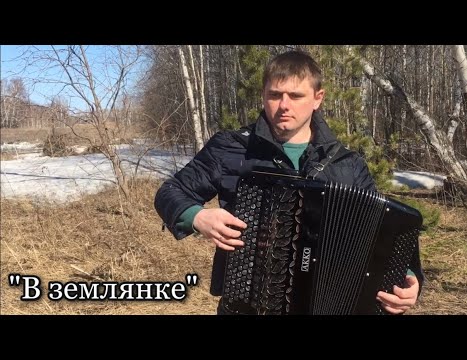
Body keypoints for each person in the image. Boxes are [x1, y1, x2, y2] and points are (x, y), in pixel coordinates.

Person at [155, 50, 423, 315]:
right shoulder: (231, 148)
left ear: (318, 98)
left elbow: (381, 233)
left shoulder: (347, 164)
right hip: (246, 307)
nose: (284, 105)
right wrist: (197, 216)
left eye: (296, 96)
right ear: (263, 95)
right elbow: (170, 192)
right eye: (274, 95)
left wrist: (408, 279)